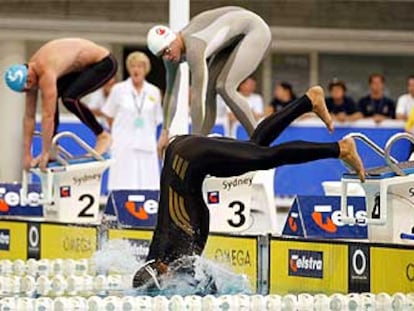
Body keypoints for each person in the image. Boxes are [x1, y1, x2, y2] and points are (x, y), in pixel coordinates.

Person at [132, 86, 364, 289]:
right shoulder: (157, 255)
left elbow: (201, 272)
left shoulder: (174, 253)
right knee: (254, 148)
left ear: (162, 272)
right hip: (182, 154)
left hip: (189, 159)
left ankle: (340, 148)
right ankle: (308, 101)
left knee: (265, 157)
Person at [146, 6, 272, 155]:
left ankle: (260, 145)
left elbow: (197, 98)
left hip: (255, 30)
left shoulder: (194, 47)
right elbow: (171, 94)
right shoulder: (171, 56)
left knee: (224, 87)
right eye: (162, 55)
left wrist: (192, 145)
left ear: (174, 38)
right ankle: (202, 146)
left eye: (167, 51)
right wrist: (164, 132)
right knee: (210, 90)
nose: (168, 57)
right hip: (234, 37)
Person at [4, 38, 117, 172]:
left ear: (29, 80)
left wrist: (45, 152)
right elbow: (29, 117)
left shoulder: (45, 71)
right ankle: (53, 147)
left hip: (103, 63)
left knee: (69, 98)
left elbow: (48, 116)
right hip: (80, 67)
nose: (29, 92)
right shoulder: (30, 75)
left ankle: (102, 135)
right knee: (56, 96)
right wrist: (27, 154)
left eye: (27, 89)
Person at [101, 52, 162, 190]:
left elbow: (157, 119)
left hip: (146, 143)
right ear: (129, 69)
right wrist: (118, 134)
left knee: (147, 181)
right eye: (133, 66)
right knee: (123, 179)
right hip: (123, 142)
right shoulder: (118, 89)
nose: (136, 70)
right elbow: (109, 115)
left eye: (140, 66)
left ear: (145, 69)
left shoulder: (154, 91)